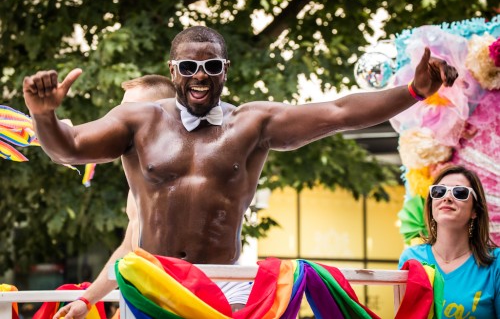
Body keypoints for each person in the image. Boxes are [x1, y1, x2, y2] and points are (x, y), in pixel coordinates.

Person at [22, 26, 458, 318]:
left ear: (225, 71)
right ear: (174, 71)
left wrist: (413, 92)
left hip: (223, 284)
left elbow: (338, 111)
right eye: (189, 66)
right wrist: (43, 116)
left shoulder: (251, 123)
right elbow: (71, 148)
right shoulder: (138, 120)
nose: (200, 76)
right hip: (152, 282)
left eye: (211, 66)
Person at [53, 75, 176, 319]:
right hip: (142, 301)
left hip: (179, 304)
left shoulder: (188, 178)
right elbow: (128, 251)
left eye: (130, 112)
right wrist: (87, 301)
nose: (120, 121)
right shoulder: (138, 186)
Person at [399, 165, 500, 318]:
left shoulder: (495, 263)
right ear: (431, 204)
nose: (446, 197)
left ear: (475, 211)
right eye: (439, 191)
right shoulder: (411, 259)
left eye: (460, 193)